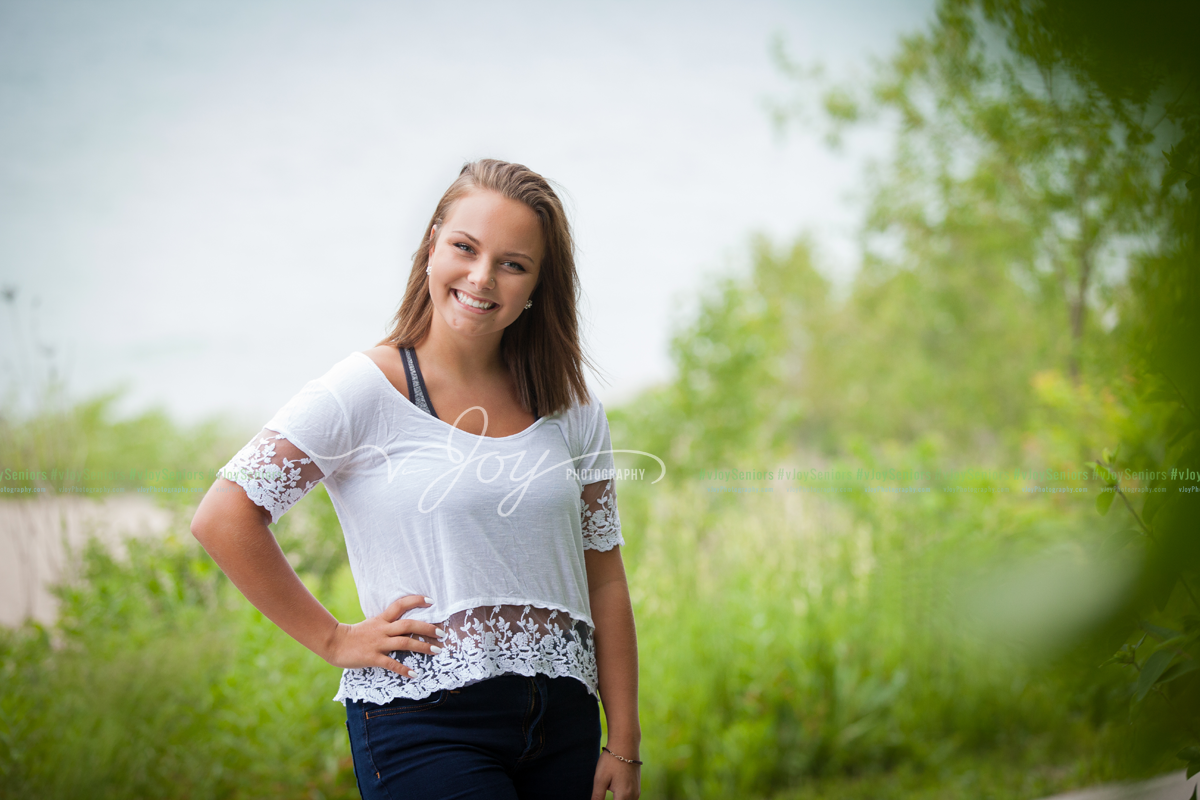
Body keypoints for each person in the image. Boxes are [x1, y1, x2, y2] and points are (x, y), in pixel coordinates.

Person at [190, 159, 641, 800]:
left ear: (539, 283)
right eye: (465, 247)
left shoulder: (570, 407)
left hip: (563, 726)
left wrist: (624, 742)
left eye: (513, 264)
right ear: (432, 246)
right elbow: (225, 515)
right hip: (427, 720)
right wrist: (332, 637)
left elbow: (605, 576)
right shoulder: (364, 389)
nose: (482, 277)